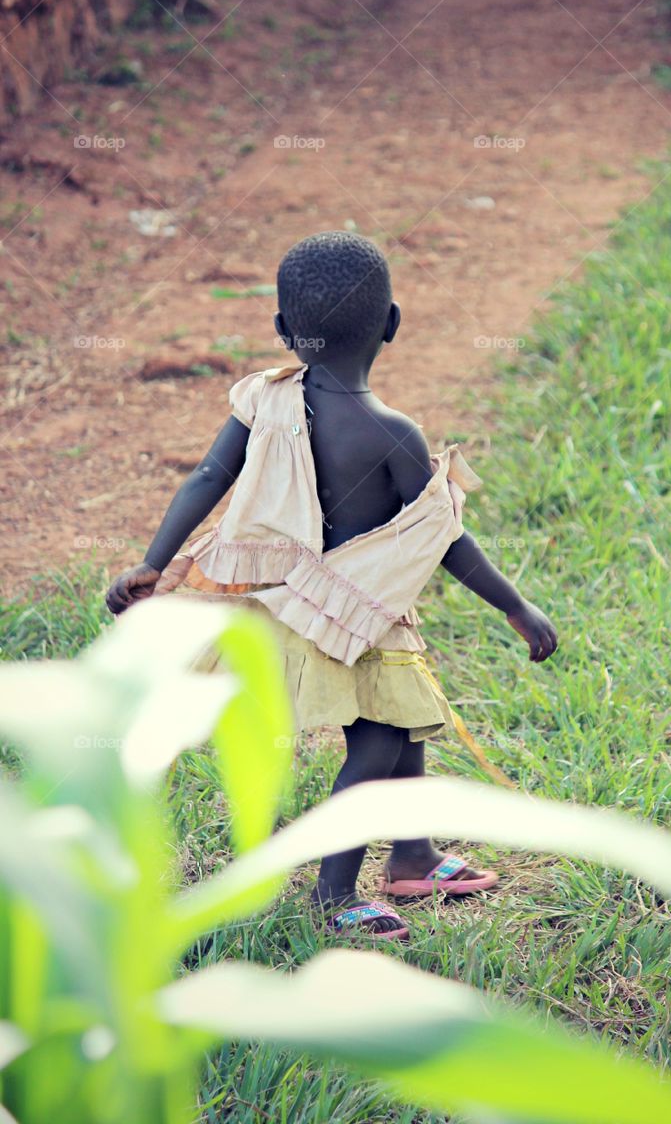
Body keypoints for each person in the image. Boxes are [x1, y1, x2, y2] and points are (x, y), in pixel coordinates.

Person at [106, 231, 558, 941]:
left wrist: (152, 564)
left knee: (402, 733)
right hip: (358, 623)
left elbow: (206, 479)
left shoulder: (261, 399)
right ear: (391, 325)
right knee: (377, 747)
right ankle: (333, 893)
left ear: (283, 331)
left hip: (285, 606)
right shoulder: (393, 434)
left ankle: (411, 855)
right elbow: (443, 539)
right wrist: (514, 605)